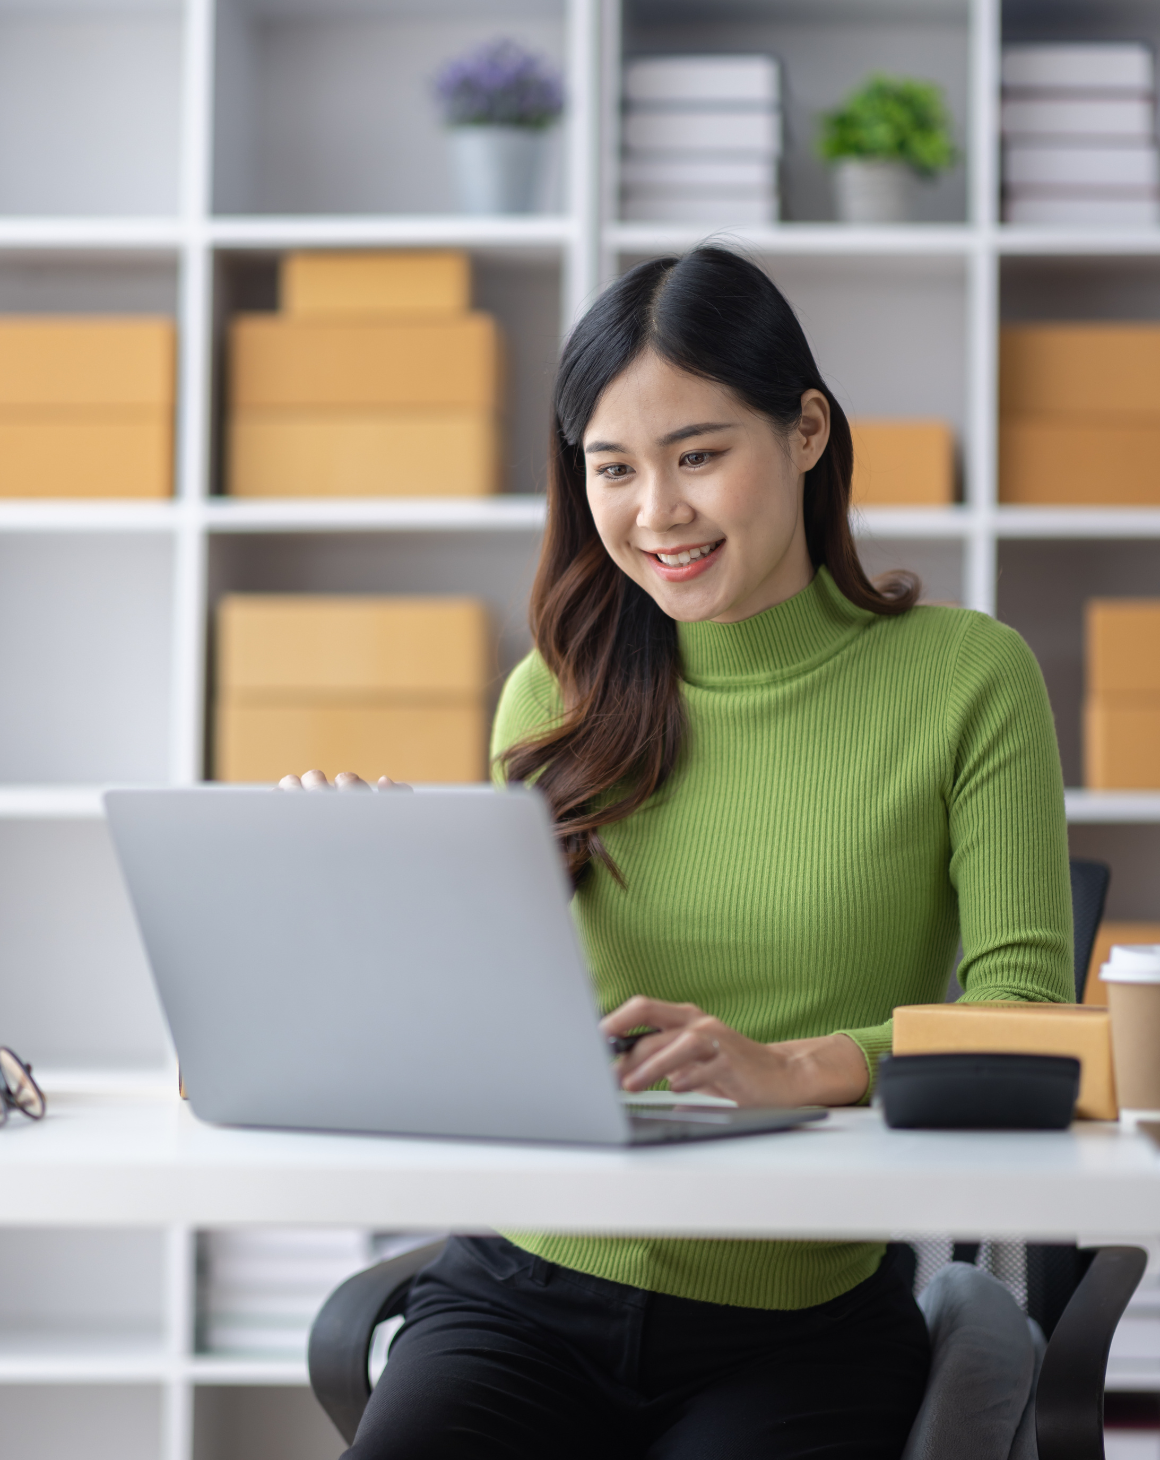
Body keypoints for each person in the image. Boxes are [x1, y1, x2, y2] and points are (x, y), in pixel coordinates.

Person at [285, 246, 1073, 1458]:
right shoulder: (552, 691)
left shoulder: (968, 677)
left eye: (697, 454)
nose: (655, 513)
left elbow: (1022, 1020)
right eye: (613, 469)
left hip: (795, 1314)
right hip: (523, 1292)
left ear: (805, 430)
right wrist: (382, 900)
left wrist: (794, 1067)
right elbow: (506, 1032)